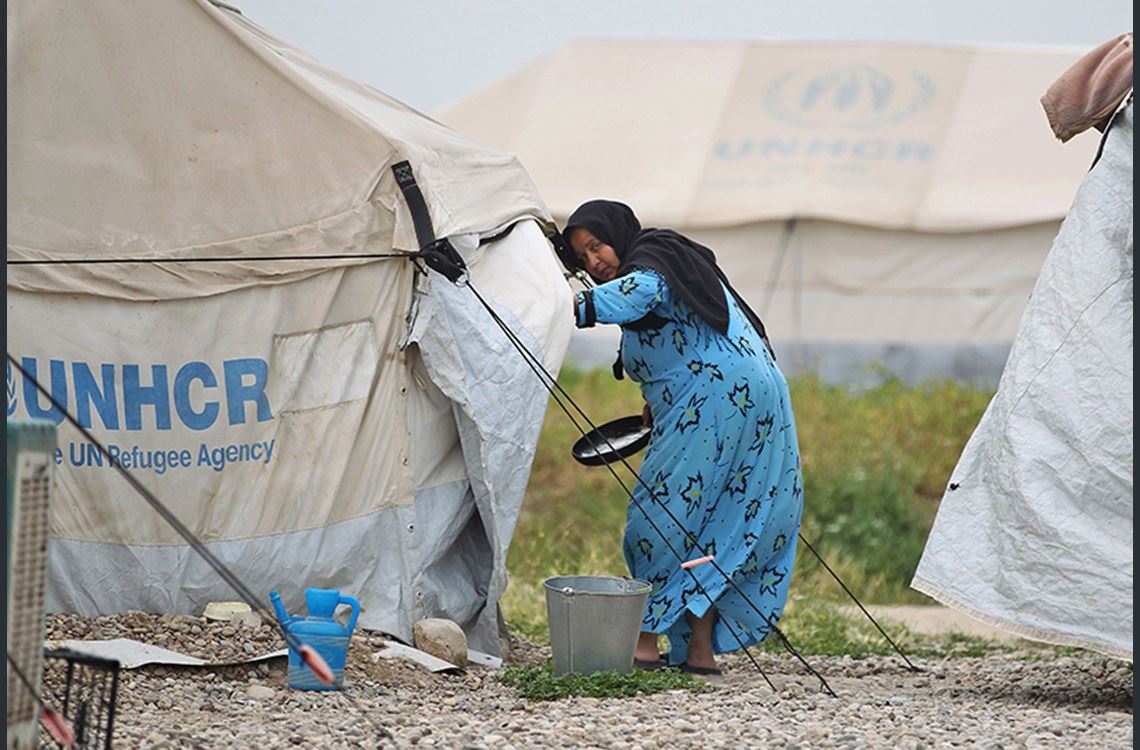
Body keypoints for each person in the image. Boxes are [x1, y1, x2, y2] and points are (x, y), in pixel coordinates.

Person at [558, 199, 804, 674]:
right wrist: (658, 402)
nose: (593, 261)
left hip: (717, 401)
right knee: (714, 523)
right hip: (755, 399)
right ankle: (699, 652)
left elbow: (642, 292)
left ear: (618, 234)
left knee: (660, 517)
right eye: (582, 256)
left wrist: (565, 304)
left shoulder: (653, 258)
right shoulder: (675, 260)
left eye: (597, 245)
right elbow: (685, 343)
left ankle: (644, 643)